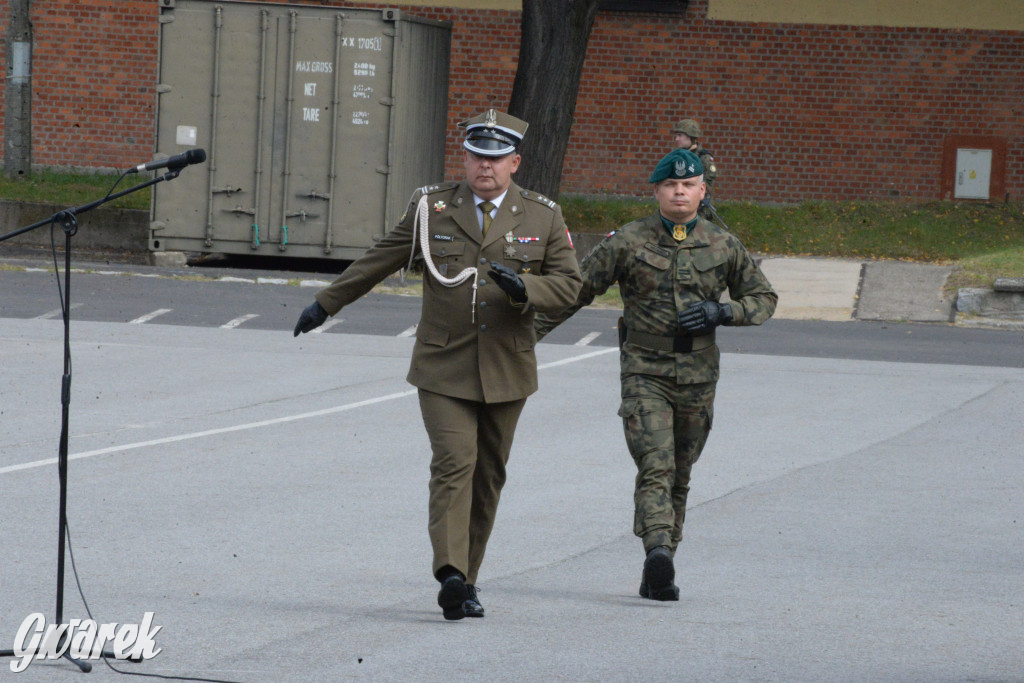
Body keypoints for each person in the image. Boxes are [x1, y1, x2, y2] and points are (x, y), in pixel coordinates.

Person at [293, 109, 582, 620]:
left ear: (514, 162)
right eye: (475, 156)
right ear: (464, 158)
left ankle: (467, 580)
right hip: (442, 364)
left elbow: (570, 288)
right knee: (454, 462)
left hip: (506, 367)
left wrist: (527, 288)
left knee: (488, 476)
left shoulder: (542, 216)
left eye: (495, 158)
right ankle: (449, 572)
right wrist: (326, 304)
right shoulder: (432, 208)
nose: (484, 167)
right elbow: (382, 257)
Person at [534, 148, 776, 601]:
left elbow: (763, 298)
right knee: (656, 465)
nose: (679, 192)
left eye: (688, 185)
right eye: (670, 185)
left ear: (702, 191)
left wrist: (722, 311)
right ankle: (657, 548)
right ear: (657, 192)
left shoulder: (722, 244)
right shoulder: (629, 241)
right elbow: (576, 291)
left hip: (699, 375)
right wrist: (524, 338)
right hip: (645, 370)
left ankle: (660, 568)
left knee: (680, 472)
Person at [672, 118, 718, 219]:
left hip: (697, 210)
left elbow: (708, 183)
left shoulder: (704, 158)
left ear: (691, 136)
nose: (676, 139)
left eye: (680, 135)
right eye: (676, 136)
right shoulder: (676, 156)